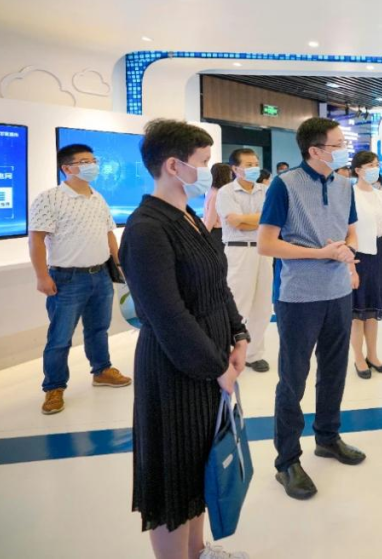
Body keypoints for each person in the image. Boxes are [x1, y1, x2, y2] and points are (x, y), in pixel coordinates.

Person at [119, 120, 249, 559]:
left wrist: (239, 335)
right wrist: (217, 367)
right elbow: (167, 315)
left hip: (209, 363)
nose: (210, 171)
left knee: (199, 467)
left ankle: (198, 550)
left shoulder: (189, 217)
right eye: (203, 162)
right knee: (173, 478)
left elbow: (217, 285)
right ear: (174, 166)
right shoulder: (146, 228)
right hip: (175, 371)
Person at [258, 118, 365, 501]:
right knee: (293, 378)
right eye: (337, 144)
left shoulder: (344, 185)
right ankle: (287, 461)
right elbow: (267, 244)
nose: (344, 150)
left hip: (338, 292)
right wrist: (321, 253)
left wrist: (347, 249)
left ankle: (328, 437)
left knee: (334, 370)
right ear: (315, 150)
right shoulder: (284, 185)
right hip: (299, 297)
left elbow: (352, 230)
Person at [29, 143, 132, 415]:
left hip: (100, 274)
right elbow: (36, 239)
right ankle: (54, 387)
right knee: (60, 337)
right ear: (67, 168)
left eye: (93, 160)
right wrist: (41, 276)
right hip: (66, 278)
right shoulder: (49, 198)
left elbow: (109, 233)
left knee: (98, 329)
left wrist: (120, 264)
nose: (92, 166)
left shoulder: (98, 197)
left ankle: (102, 370)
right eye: (85, 161)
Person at [216, 148, 273, 372]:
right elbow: (234, 222)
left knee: (263, 305)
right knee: (238, 304)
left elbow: (272, 219)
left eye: (256, 163)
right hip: (238, 252)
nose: (254, 168)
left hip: (264, 250)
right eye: (248, 165)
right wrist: (258, 220)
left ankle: (253, 354)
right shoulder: (226, 192)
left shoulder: (266, 190)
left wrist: (247, 220)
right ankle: (228, 352)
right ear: (235, 168)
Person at [349, 151, 382, 379]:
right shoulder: (350, 194)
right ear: (358, 170)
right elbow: (346, 231)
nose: (374, 169)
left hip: (379, 254)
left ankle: (373, 355)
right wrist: (350, 267)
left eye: (376, 164)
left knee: (374, 310)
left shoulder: (381, 194)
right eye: (370, 165)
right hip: (359, 254)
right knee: (358, 312)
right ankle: (358, 357)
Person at [203, 162, 234, 243]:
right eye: (230, 174)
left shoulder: (212, 191)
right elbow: (211, 219)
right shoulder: (217, 194)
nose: (231, 177)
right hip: (218, 233)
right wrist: (204, 236)